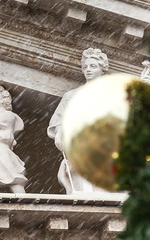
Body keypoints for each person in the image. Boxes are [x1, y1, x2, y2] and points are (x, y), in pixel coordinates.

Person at [47, 47, 110, 194]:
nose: (88, 70)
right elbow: (58, 120)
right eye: (85, 66)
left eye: (93, 66)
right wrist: (60, 131)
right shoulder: (72, 95)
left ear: (102, 69)